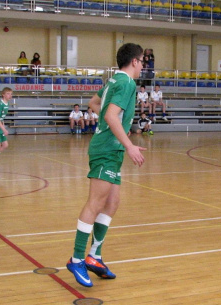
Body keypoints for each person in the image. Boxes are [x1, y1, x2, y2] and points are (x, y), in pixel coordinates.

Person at [66, 43, 146, 288]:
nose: (143, 65)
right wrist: (130, 145)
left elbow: (94, 103)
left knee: (112, 202)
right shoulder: (126, 83)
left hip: (112, 149)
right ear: (134, 61)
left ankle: (95, 255)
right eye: (142, 60)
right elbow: (110, 116)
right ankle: (77, 258)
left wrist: (116, 130)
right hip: (107, 149)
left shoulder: (113, 81)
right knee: (95, 203)